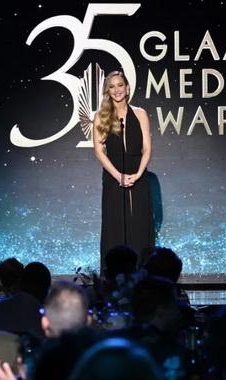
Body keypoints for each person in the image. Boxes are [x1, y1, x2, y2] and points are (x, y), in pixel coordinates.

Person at [93, 70, 154, 275]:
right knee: (114, 224)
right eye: (112, 86)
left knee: (140, 223)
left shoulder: (140, 114)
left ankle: (143, 274)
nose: (117, 90)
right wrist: (117, 175)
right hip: (113, 174)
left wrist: (138, 173)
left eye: (120, 85)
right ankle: (113, 277)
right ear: (108, 91)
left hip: (139, 173)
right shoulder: (101, 116)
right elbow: (99, 150)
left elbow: (147, 148)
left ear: (127, 88)